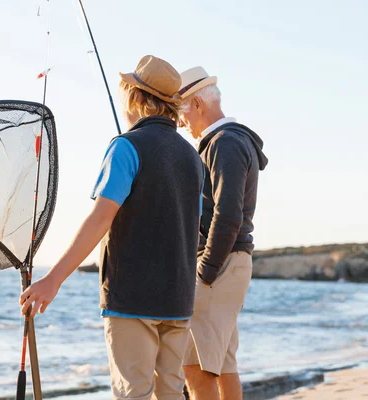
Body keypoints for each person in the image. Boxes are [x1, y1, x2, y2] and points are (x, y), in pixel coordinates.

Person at [20, 55, 205, 400]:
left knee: (132, 393)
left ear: (137, 98)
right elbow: (194, 234)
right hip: (179, 300)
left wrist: (53, 279)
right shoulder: (193, 158)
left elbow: (100, 219)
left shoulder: (125, 147)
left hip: (132, 299)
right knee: (171, 392)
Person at [177, 66, 269, 400]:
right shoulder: (227, 141)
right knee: (222, 366)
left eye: (181, 113)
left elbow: (227, 214)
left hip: (221, 265)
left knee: (195, 367)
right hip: (231, 264)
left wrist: (205, 270)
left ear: (198, 105)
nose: (180, 123)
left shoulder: (225, 143)